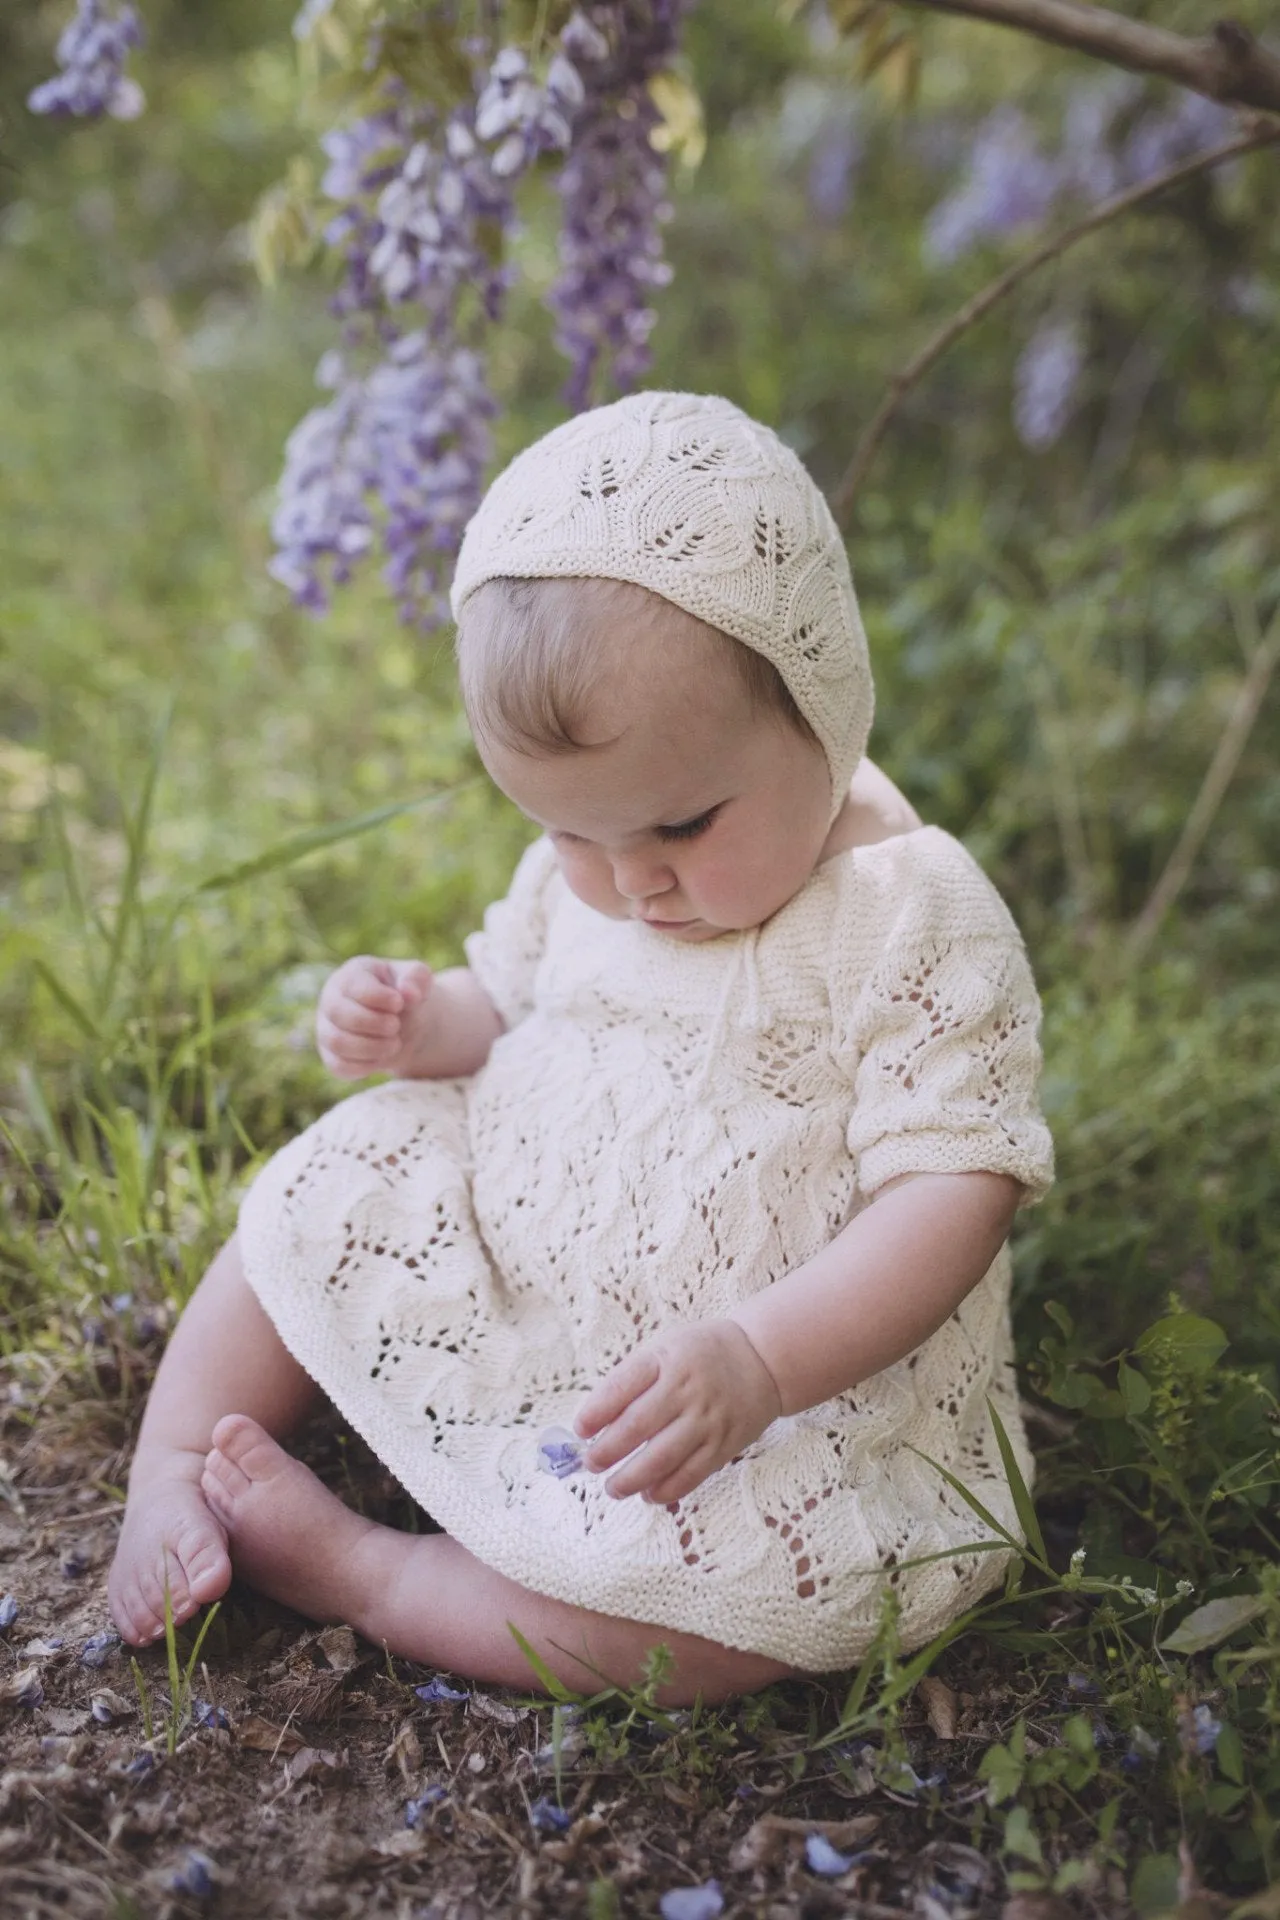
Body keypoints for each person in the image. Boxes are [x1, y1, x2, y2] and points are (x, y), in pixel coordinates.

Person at [108, 392, 1053, 1705]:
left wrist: (762, 1360)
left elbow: (956, 1194)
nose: (628, 884)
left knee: (723, 1618)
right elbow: (501, 999)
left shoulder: (910, 915)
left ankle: (372, 1576)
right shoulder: (606, 860)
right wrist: (416, 1019)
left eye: (681, 826)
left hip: (767, 1385)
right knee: (333, 1179)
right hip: (528, 1256)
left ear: (822, 710)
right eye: (568, 835)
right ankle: (170, 1473)